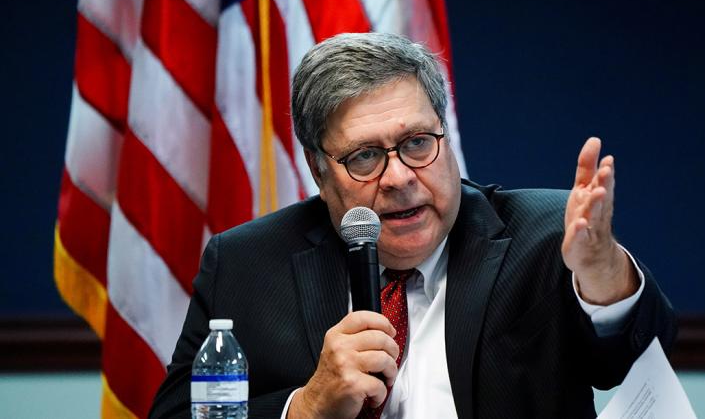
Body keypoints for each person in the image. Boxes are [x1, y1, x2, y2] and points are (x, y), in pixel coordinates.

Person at [149, 32, 676, 419]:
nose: (400, 177)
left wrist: (604, 276)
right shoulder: (246, 264)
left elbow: (634, 358)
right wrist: (304, 407)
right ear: (317, 169)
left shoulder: (542, 238)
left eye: (418, 143)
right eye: (364, 157)